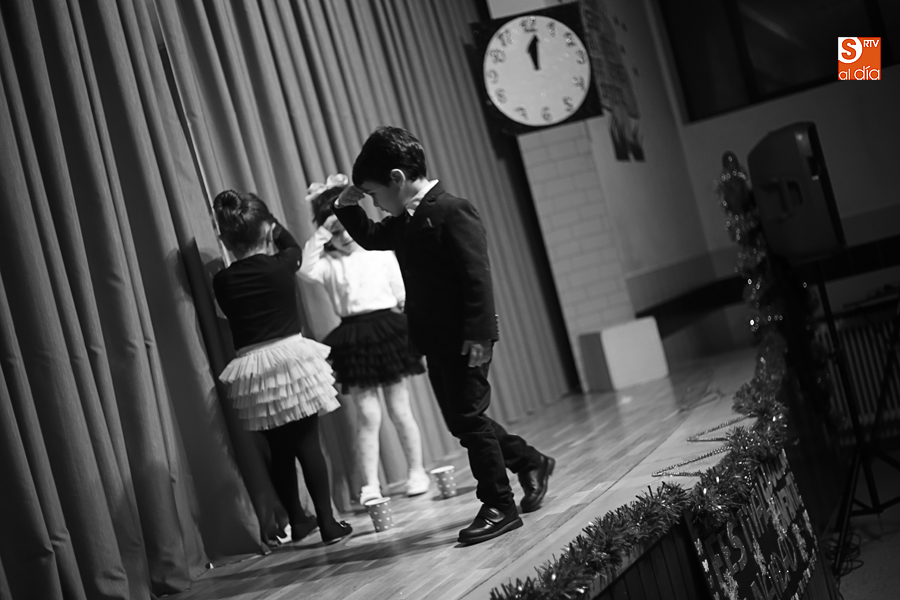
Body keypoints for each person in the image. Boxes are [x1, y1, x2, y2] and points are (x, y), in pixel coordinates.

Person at [333, 127, 555, 545]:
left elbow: (477, 276)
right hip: (434, 338)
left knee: (469, 418)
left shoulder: (453, 209)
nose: (374, 203)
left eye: (374, 194)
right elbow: (371, 236)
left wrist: (481, 333)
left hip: (467, 337)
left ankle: (500, 505)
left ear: (397, 178)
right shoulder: (405, 219)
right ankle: (531, 461)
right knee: (461, 420)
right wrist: (347, 202)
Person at [211, 189, 352, 545]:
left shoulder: (222, 280)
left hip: (253, 369)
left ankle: (298, 521)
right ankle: (327, 522)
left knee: (279, 451)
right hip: (291, 359)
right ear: (266, 229)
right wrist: (273, 227)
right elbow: (292, 247)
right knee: (308, 445)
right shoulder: (282, 264)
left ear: (225, 240)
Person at [298, 174, 431, 506]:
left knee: (400, 408)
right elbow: (303, 268)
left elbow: (401, 294)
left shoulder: (380, 253)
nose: (345, 237)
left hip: (388, 330)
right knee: (368, 415)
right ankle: (370, 484)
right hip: (354, 337)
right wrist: (324, 229)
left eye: (347, 228)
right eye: (337, 232)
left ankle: (417, 471)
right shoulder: (327, 264)